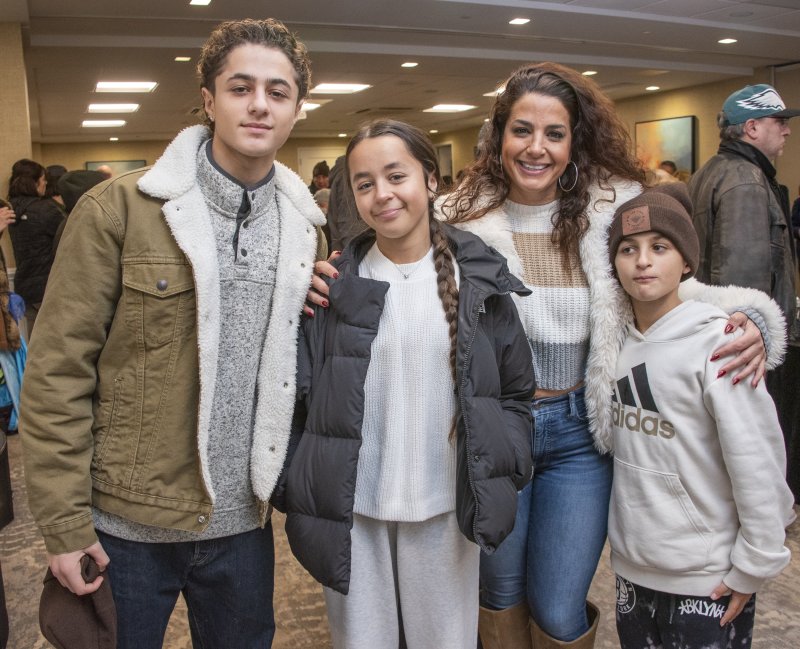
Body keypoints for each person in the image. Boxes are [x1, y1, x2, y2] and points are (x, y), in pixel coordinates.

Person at [306, 64, 783, 649]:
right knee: (498, 594)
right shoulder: (460, 212)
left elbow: (666, 281)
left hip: (580, 433)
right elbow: (390, 260)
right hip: (492, 431)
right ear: (499, 136)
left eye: (554, 134)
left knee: (558, 606)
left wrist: (752, 317)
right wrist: (329, 275)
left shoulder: (615, 207)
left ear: (574, 141)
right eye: (521, 130)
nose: (536, 148)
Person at [20, 17, 326, 649]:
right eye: (241, 88)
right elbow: (57, 374)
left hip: (242, 525)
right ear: (209, 100)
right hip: (124, 529)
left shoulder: (306, 230)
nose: (260, 105)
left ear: (298, 107)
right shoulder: (119, 211)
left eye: (278, 91)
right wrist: (64, 523)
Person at [278, 119, 534, 649]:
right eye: (365, 183)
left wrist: (500, 464)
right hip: (353, 508)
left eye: (396, 176)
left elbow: (512, 391)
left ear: (431, 180)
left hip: (444, 504)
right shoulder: (334, 284)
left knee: (445, 641)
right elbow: (298, 396)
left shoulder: (478, 279)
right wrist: (302, 481)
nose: (382, 195)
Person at [607, 183, 794, 649]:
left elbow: (758, 458)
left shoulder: (722, 346)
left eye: (660, 247)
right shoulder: (613, 347)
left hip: (707, 578)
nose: (643, 261)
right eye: (628, 249)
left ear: (687, 262)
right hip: (634, 568)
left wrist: (754, 564)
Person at [688, 83, 799, 342]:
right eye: (780, 121)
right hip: (743, 342)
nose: (787, 130)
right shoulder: (745, 180)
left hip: (710, 330)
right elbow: (743, 289)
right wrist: (753, 335)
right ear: (752, 127)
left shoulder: (709, 171)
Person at [6, 158, 65, 334]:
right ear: (34, 182)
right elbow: (68, 236)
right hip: (48, 285)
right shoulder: (45, 209)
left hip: (25, 285)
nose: (45, 182)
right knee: (55, 340)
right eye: (43, 178)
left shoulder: (10, 207)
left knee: (35, 338)